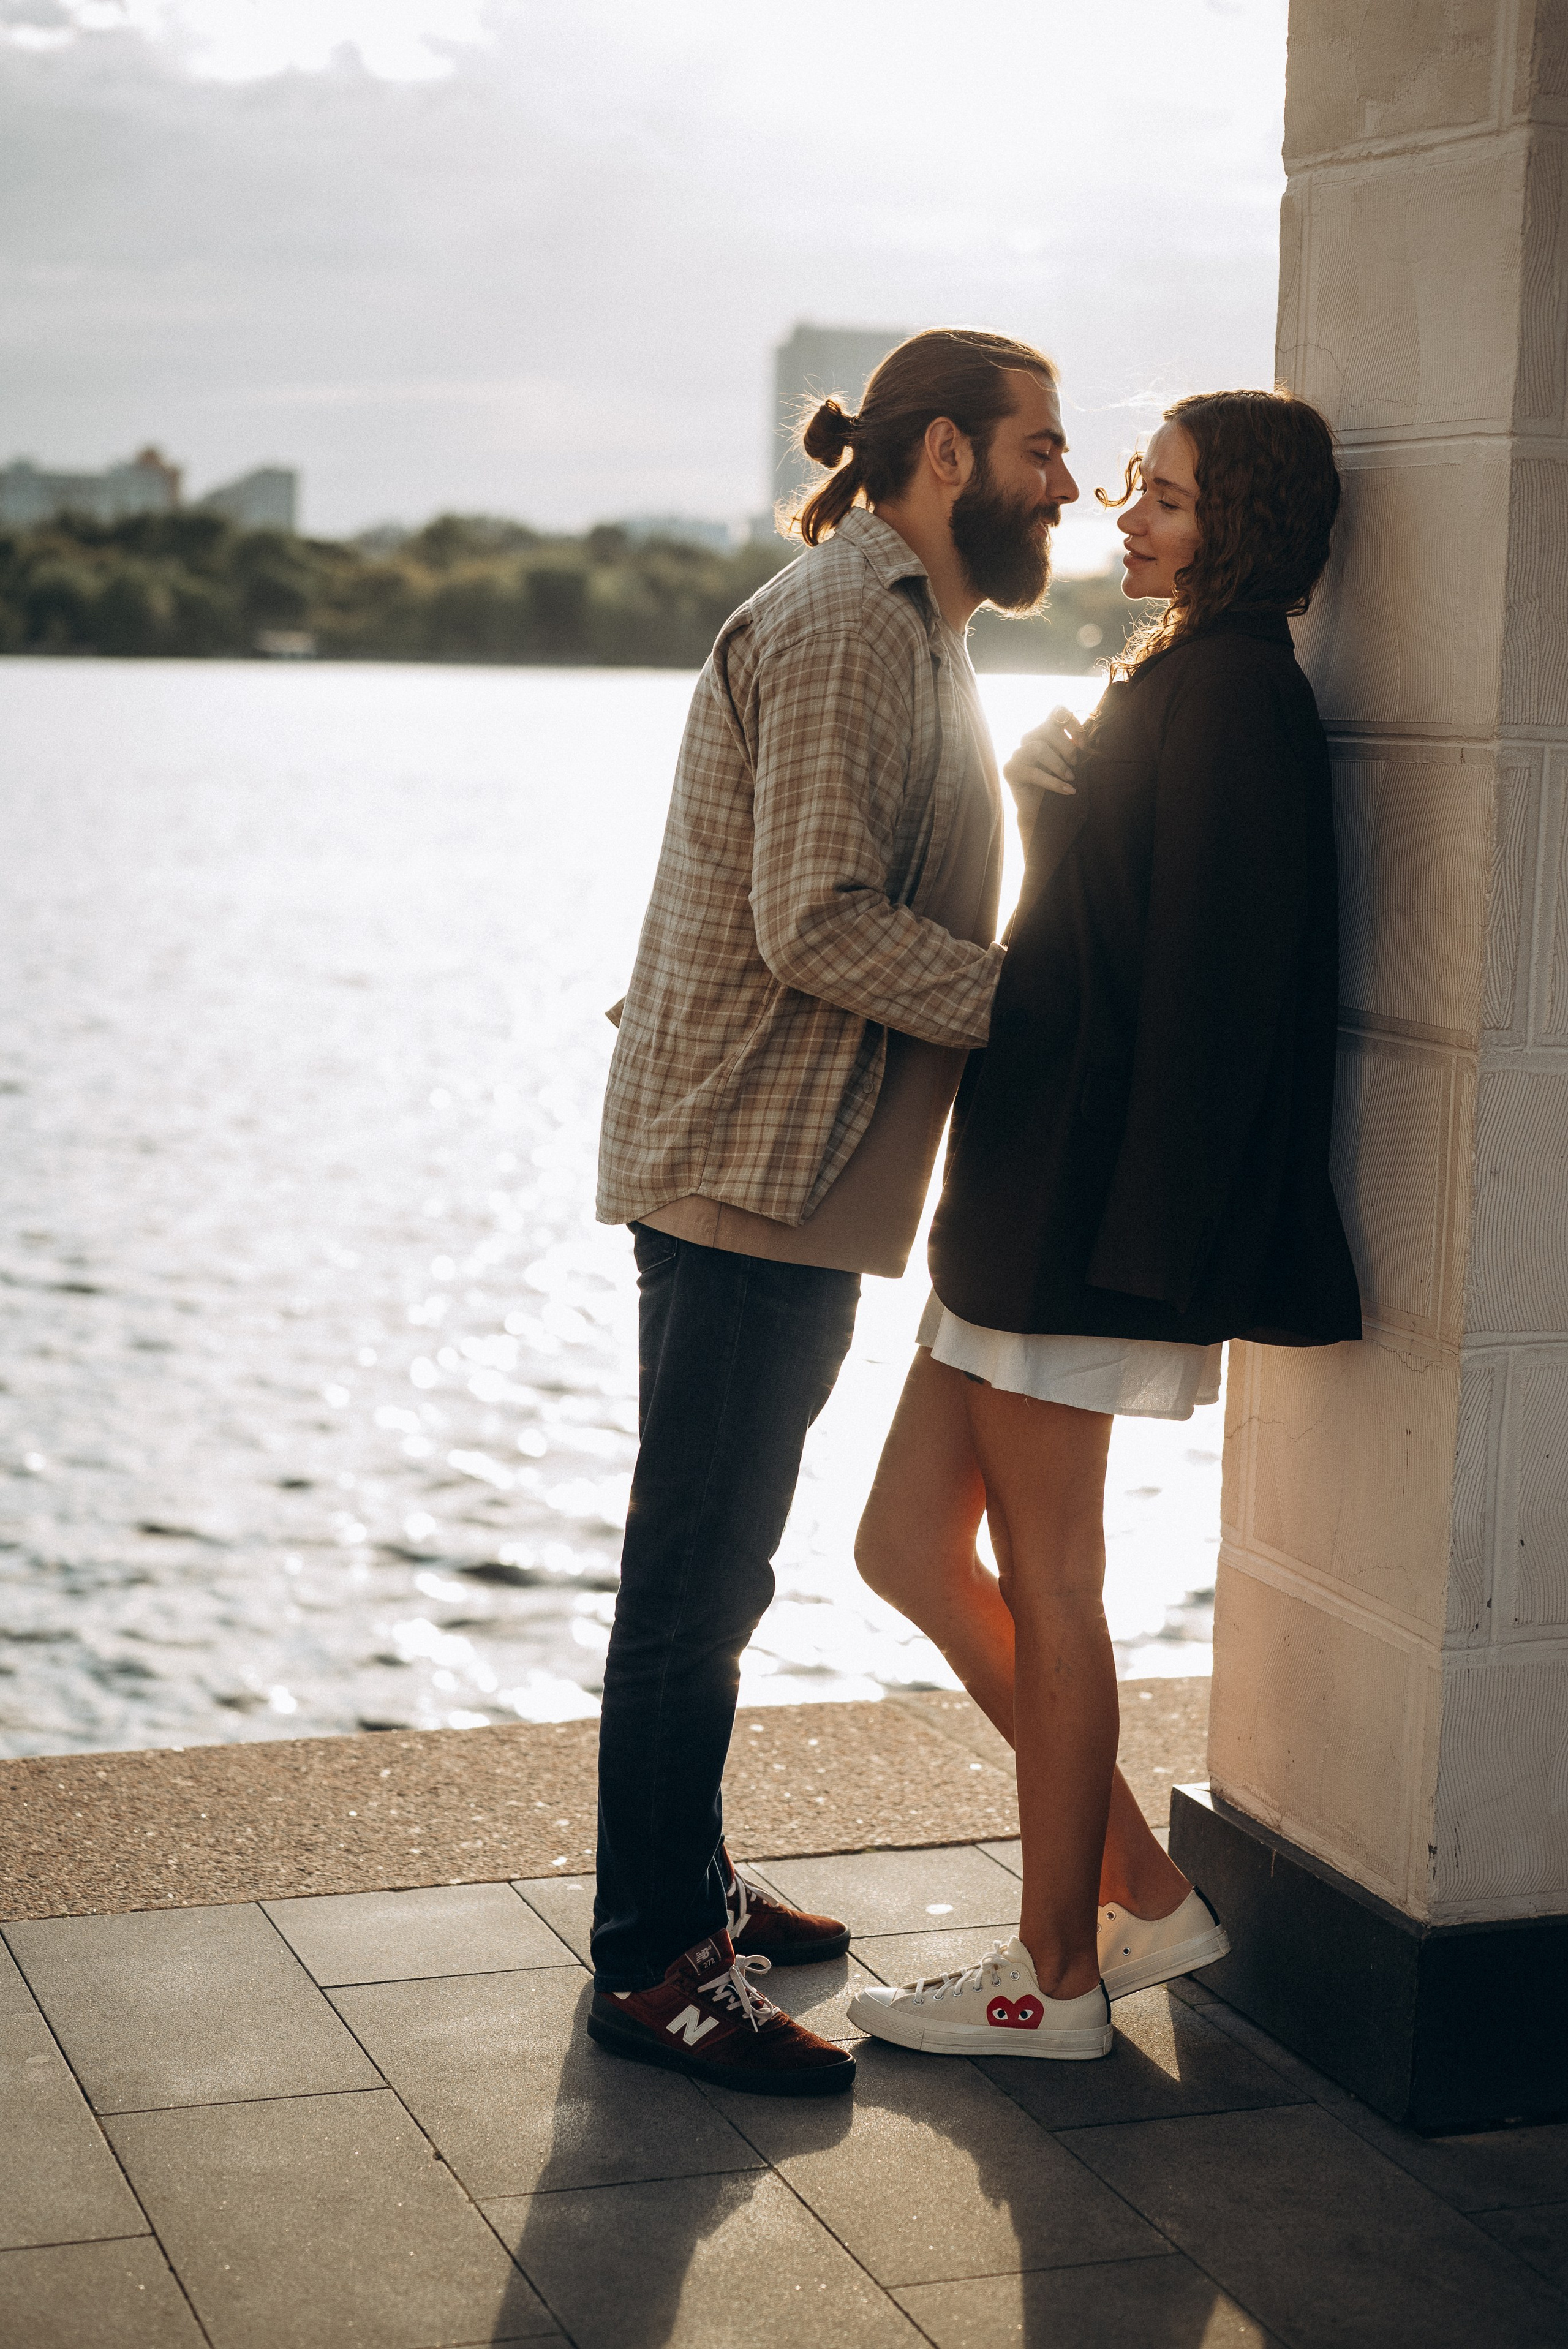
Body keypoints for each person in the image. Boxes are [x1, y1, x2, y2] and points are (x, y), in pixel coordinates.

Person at [587, 329, 1082, 2096]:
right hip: (747, 1180)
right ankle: (652, 1960)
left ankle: (687, 1879)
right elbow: (816, 919)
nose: (1069, 483)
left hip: (777, 1178)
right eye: (1042, 447)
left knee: (718, 1557)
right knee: (694, 1576)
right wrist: (1035, 1005)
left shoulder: (909, 624)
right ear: (942, 457)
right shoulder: (854, 629)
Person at [848, 390, 1362, 2064]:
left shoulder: (1241, 698)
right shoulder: (1182, 676)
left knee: (1051, 1579)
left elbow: (1217, 1000)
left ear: (1251, 530)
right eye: (1137, 490)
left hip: (1083, 1220)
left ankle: (1054, 1979)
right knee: (906, 1546)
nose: (1130, 519)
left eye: (1175, 502)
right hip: (1018, 1201)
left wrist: (1140, 1251)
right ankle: (1143, 1884)